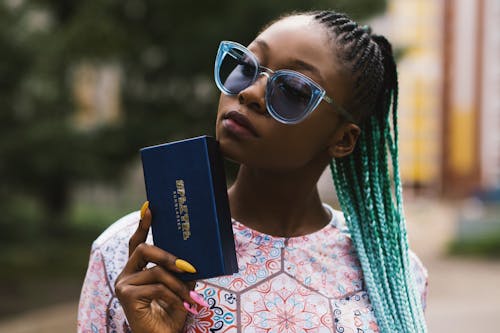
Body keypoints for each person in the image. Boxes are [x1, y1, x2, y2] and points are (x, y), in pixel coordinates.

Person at [78, 10, 429, 333]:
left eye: (292, 89)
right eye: (246, 67)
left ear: (342, 139)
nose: (250, 93)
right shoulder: (129, 258)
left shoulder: (393, 277)